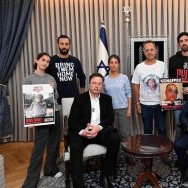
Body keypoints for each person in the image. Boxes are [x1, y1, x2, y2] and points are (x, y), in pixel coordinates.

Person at [68, 73, 120, 188]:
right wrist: (83, 131)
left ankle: (104, 176)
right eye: (94, 83)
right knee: (75, 147)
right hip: (83, 132)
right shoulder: (79, 98)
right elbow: (71, 121)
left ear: (102, 86)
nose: (97, 86)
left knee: (115, 139)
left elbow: (110, 118)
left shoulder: (107, 99)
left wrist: (99, 127)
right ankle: (78, 184)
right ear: (89, 84)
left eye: (99, 83)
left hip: (100, 132)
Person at [22, 52, 62, 188]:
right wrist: (30, 119)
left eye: (47, 61)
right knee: (38, 148)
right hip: (40, 117)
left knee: (54, 144)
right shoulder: (29, 79)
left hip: (55, 113)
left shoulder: (50, 78)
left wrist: (53, 88)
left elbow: (56, 97)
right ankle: (31, 181)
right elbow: (27, 101)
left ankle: (50, 169)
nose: (45, 63)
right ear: (37, 61)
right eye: (43, 60)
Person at [131, 40, 168, 137]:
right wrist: (137, 103)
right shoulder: (139, 67)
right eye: (147, 50)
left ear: (156, 51)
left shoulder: (162, 65)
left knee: (162, 128)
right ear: (143, 52)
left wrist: (167, 102)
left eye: (151, 49)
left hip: (161, 104)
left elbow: (167, 84)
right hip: (145, 104)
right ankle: (149, 150)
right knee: (147, 130)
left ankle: (164, 151)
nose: (149, 52)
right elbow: (136, 86)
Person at [46, 34, 86, 104]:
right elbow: (45, 77)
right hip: (56, 98)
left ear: (69, 45)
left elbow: (82, 76)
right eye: (62, 44)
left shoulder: (75, 60)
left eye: (66, 44)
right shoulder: (51, 60)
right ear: (58, 44)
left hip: (74, 98)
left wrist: (82, 94)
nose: (64, 46)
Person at [104, 55, 132, 139]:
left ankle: (126, 152)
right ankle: (117, 151)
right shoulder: (105, 79)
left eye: (116, 62)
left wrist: (129, 109)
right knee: (114, 133)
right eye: (111, 63)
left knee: (125, 133)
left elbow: (129, 93)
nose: (113, 65)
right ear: (108, 64)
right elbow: (104, 96)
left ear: (119, 64)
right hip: (110, 110)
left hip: (123, 109)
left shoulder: (124, 77)